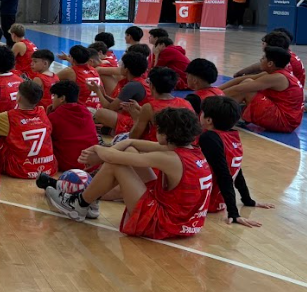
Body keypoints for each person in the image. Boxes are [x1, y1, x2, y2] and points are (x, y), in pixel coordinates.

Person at [45, 108, 213, 239]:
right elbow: (131, 143)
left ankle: (80, 204)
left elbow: (113, 158)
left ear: (166, 134)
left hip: (165, 224)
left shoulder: (169, 158)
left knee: (116, 165)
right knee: (129, 150)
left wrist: (97, 149)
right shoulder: (192, 150)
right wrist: (109, 151)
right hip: (186, 221)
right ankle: (91, 200)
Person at [196, 95, 272, 226]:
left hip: (205, 202)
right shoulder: (232, 136)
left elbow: (224, 175)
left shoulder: (208, 137)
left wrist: (233, 213)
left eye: (202, 113)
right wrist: (247, 200)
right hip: (218, 202)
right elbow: (236, 170)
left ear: (208, 120)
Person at [222, 46, 304, 133]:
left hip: (285, 122)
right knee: (248, 81)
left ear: (270, 64)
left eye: (263, 58)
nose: (260, 60)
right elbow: (244, 79)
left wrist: (214, 96)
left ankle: (219, 115)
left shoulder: (277, 78)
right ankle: (238, 113)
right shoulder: (278, 73)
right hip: (288, 118)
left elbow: (240, 89)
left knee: (247, 90)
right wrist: (217, 89)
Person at [0, 79, 54, 180]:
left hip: (19, 169)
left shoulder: (9, 116)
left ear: (19, 97)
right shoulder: (42, 111)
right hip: (48, 166)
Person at [46, 80, 99, 173]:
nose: (52, 100)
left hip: (68, 165)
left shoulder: (54, 117)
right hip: (92, 164)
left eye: (54, 96)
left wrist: (46, 116)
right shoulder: (86, 112)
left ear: (62, 98)